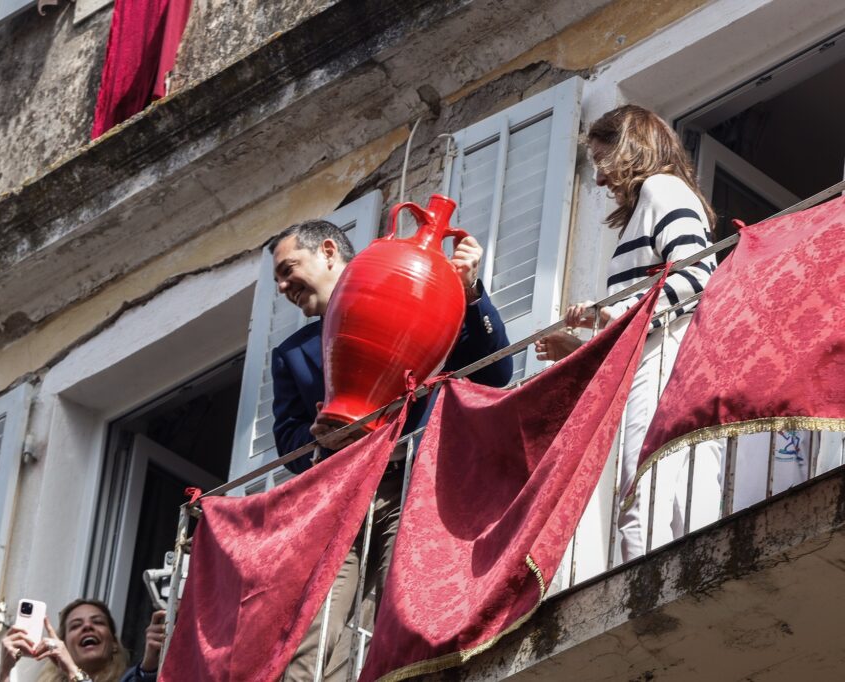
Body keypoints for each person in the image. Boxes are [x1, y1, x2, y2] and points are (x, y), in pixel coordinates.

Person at [268, 219, 513, 680]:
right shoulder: (292, 353)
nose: (282, 287)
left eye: (288, 269)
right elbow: (288, 442)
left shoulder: (420, 298)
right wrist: (318, 444)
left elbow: (495, 374)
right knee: (311, 632)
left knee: (390, 612)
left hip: (413, 484)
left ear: (326, 251)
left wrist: (472, 290)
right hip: (342, 500)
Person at [534, 104, 723, 561]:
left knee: (644, 490)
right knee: (676, 492)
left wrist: (608, 314)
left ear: (629, 148)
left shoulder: (662, 189)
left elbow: (698, 276)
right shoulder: (650, 206)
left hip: (668, 351)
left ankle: (642, 591)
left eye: (602, 160)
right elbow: (644, 312)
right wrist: (587, 337)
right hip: (667, 351)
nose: (599, 179)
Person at [0, 599, 166, 682]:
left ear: (114, 643)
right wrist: (4, 672)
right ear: (65, 646)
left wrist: (151, 661)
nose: (87, 627)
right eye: (76, 625)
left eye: (98, 622)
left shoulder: (132, 678)